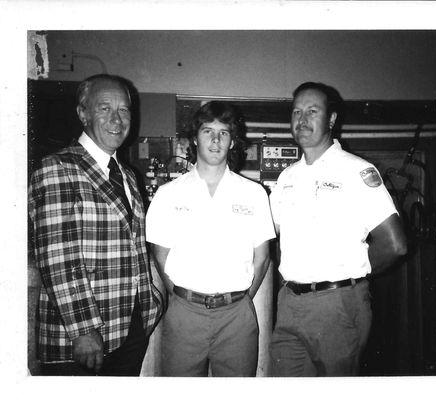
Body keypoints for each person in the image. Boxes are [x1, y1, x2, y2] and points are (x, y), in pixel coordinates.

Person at [28, 74, 165, 376]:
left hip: (130, 328)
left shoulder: (128, 176)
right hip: (83, 338)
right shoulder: (58, 168)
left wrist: (151, 304)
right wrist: (82, 329)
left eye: (124, 110)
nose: (117, 119)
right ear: (83, 113)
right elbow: (56, 256)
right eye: (104, 108)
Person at [269, 82, 408, 376]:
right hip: (289, 303)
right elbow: (272, 232)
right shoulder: (287, 177)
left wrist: (355, 276)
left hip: (337, 305)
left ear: (331, 119)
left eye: (312, 111)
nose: (302, 120)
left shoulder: (355, 170)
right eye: (296, 112)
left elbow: (395, 244)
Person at [146, 101, 275, 377]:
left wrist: (239, 301)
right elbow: (161, 256)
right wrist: (185, 298)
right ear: (195, 138)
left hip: (237, 316)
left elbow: (262, 257)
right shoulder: (168, 194)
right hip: (184, 314)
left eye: (223, 133)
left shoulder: (254, 194)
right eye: (208, 131)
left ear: (232, 142)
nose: (215, 140)